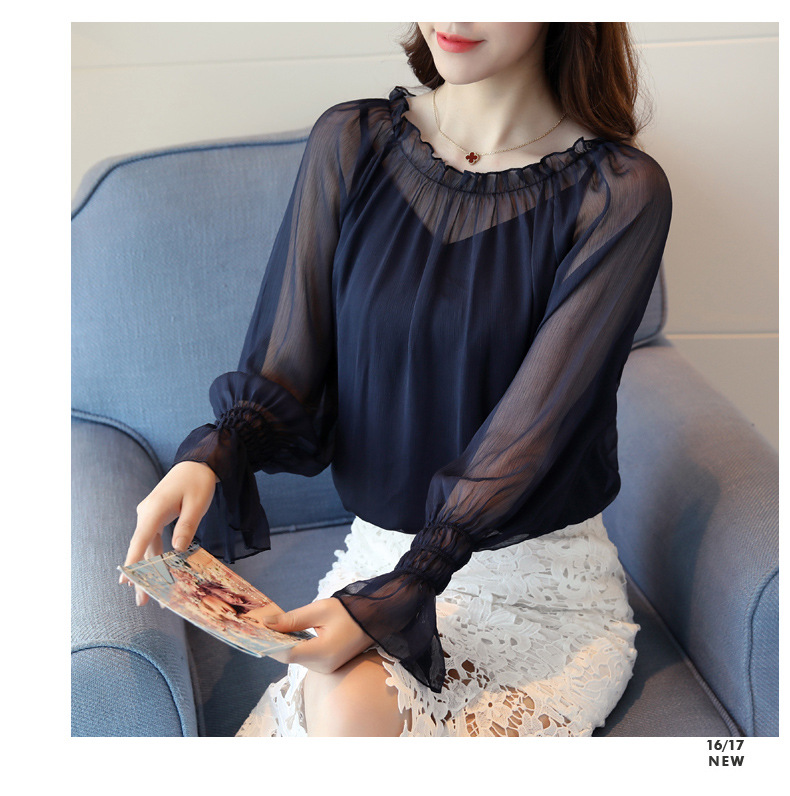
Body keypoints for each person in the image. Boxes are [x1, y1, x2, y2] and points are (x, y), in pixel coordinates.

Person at [120, 22, 672, 737]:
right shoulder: (351, 142)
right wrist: (216, 452)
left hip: (532, 587)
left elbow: (536, 430)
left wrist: (411, 582)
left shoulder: (618, 192)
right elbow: (290, 361)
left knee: (346, 715)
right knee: (342, 710)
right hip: (376, 557)